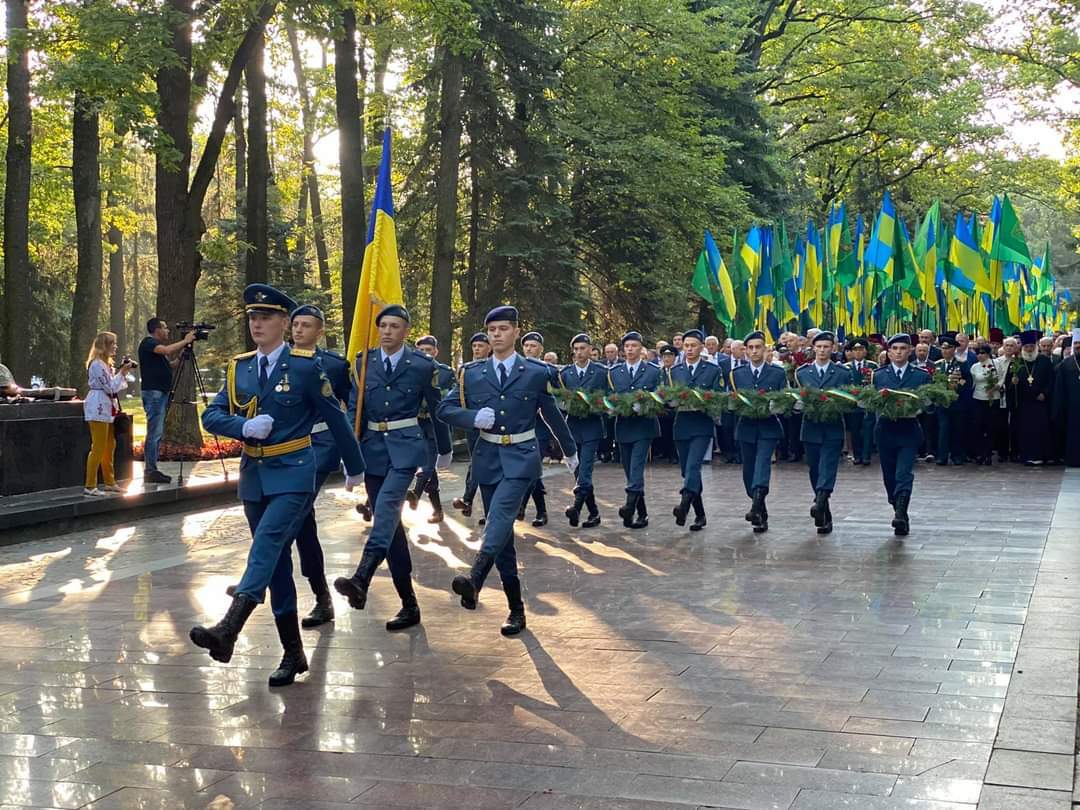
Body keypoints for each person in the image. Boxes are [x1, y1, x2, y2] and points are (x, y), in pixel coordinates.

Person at [192, 284, 365, 687]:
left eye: (266, 317)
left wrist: (354, 467)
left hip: (295, 472)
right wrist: (243, 426)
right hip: (254, 476)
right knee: (277, 565)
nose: (257, 323)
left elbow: (336, 418)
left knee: (267, 543)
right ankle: (292, 652)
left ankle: (230, 627)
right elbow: (212, 416)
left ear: (284, 323)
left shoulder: (304, 368)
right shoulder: (241, 368)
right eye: (252, 317)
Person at [436, 306, 577, 636]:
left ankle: (474, 577)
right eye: (492, 330)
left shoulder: (535, 372)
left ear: (516, 332)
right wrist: (472, 419)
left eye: (503, 329)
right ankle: (516, 609)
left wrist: (570, 452)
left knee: (499, 515)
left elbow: (551, 414)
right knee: (504, 539)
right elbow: (444, 408)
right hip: (488, 457)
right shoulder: (470, 373)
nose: (496, 335)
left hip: (522, 456)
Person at [334, 305, 453, 631]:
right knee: (393, 530)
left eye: (394, 326)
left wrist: (444, 449)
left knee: (385, 508)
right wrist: (350, 455)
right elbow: (353, 412)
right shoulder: (363, 362)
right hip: (372, 450)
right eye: (383, 325)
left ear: (405, 331)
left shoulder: (421, 365)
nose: (387, 331)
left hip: (405, 450)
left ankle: (362, 577)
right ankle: (409, 605)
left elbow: (437, 407)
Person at [283, 304, 351, 628]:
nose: (298, 330)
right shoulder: (277, 362)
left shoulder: (336, 367)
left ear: (319, 331)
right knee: (302, 523)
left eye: (306, 325)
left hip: (319, 447)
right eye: (295, 324)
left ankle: (254, 583)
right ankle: (322, 597)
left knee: (292, 515)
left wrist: (353, 456)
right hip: (284, 450)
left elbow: (347, 411)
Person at [873, 334, 931, 537]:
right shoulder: (878, 375)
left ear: (910, 351)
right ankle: (898, 508)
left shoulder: (920, 375)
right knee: (889, 476)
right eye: (894, 348)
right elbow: (871, 402)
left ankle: (900, 511)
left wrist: (920, 408)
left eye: (903, 348)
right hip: (886, 431)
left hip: (909, 430)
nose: (898, 352)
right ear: (888, 352)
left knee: (903, 473)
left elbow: (929, 403)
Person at [730, 330, 787, 533]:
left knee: (763, 464)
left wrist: (778, 406)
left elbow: (785, 398)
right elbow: (732, 401)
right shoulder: (737, 374)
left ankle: (756, 505)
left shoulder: (777, 373)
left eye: (758, 347)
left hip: (768, 426)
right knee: (748, 471)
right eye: (751, 348)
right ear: (745, 351)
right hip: (746, 427)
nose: (754, 351)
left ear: (765, 349)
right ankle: (759, 509)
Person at [665, 330, 721, 531]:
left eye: (693, 345)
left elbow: (717, 397)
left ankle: (684, 505)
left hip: (701, 424)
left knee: (693, 467)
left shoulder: (712, 370)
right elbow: (666, 396)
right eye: (686, 345)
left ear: (701, 347)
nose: (689, 349)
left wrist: (704, 403)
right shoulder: (675, 371)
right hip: (682, 424)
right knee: (687, 471)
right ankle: (700, 514)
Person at [795, 332, 848, 534]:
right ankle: (824, 510)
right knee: (815, 469)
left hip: (833, 427)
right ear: (813, 348)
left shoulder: (842, 372)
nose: (823, 350)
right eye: (819, 347)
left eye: (827, 346)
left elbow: (848, 398)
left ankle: (820, 500)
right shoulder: (802, 373)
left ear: (833, 348)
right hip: (811, 427)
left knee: (828, 466)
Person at [609, 330, 662, 529]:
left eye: (634, 346)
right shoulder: (614, 372)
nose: (630, 350)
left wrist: (647, 404)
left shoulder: (653, 371)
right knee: (630, 471)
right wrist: (611, 406)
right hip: (623, 426)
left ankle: (629, 506)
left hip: (644, 426)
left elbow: (660, 396)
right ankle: (642, 513)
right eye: (627, 346)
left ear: (641, 349)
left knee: (637, 467)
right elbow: (609, 396)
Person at [559, 333, 609, 528]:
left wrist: (599, 405)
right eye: (576, 349)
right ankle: (594, 513)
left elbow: (608, 397)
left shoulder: (601, 371)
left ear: (590, 350)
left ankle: (576, 508)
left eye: (583, 348)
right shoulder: (566, 373)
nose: (579, 352)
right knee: (578, 469)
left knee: (586, 467)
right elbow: (559, 397)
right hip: (572, 426)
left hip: (592, 426)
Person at [138, 318, 197, 483]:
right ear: (157, 330)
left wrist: (183, 354)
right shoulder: (148, 343)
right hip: (154, 394)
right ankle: (150, 471)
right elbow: (165, 350)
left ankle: (152, 469)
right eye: (165, 328)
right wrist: (184, 340)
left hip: (160, 393)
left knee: (157, 432)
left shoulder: (154, 349)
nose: (168, 331)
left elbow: (169, 365)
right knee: (154, 433)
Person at [408, 335, 456, 523]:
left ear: (436, 352)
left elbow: (446, 397)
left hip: (436, 424)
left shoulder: (445, 372)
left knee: (429, 461)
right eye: (421, 350)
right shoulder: (410, 372)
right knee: (428, 466)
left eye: (429, 350)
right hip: (416, 422)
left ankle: (416, 493)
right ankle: (437, 510)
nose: (425, 354)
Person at [83, 331, 133, 497]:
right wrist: (122, 373)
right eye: (112, 344)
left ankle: (110, 482)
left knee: (109, 446)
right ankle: (90, 485)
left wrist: (120, 373)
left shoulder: (106, 364)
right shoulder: (97, 364)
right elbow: (110, 387)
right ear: (104, 346)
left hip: (108, 406)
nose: (115, 347)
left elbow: (115, 387)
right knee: (98, 447)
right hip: (98, 406)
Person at [452, 332, 491, 517]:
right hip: (474, 424)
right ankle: (468, 501)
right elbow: (461, 397)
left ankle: (472, 501)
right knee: (476, 462)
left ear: (489, 348)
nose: (477, 349)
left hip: (493, 425)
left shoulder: (495, 367)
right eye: (474, 346)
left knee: (485, 465)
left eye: (481, 346)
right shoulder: (465, 369)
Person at [1007, 330, 1055, 466]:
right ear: (1022, 347)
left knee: (1041, 429)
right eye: (1026, 346)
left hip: (1040, 402)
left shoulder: (1044, 361)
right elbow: (1008, 383)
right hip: (1024, 404)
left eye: (1031, 346)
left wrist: (1045, 393)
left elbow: (1051, 381)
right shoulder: (1016, 362)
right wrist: (1013, 383)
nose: (1029, 349)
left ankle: (1042, 455)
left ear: (1036, 346)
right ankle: (1027, 456)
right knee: (1025, 431)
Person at [934, 332, 973, 466]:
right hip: (942, 404)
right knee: (943, 429)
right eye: (943, 348)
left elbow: (967, 381)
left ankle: (957, 455)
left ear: (954, 349)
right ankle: (942, 456)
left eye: (948, 348)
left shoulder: (962, 364)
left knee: (957, 429)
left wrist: (956, 387)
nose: (945, 351)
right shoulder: (937, 365)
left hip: (957, 403)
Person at [845, 337, 877, 465]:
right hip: (853, 402)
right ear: (851, 352)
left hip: (868, 402)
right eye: (855, 349)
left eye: (861, 349)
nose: (858, 352)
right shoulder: (846, 367)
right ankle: (857, 455)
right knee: (855, 430)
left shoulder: (872, 366)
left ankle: (866, 455)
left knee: (868, 429)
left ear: (865, 351)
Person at [970, 343, 1002, 465]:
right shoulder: (974, 366)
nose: (980, 355)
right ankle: (980, 453)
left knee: (991, 427)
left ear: (988, 354)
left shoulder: (996, 363)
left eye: (982, 353)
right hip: (979, 398)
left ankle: (988, 453)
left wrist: (996, 386)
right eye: (977, 353)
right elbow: (977, 378)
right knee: (978, 426)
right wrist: (988, 374)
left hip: (993, 398)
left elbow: (1000, 377)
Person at [1052, 336, 1080, 467]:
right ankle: (1074, 459)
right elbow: (1059, 388)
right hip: (1072, 407)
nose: (1078, 347)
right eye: (1076, 344)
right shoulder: (1066, 364)